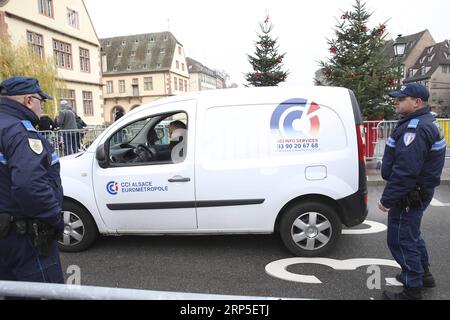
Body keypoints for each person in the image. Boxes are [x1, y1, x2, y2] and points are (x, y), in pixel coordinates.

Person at [378, 83, 446, 300]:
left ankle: (412, 290)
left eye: (401, 98)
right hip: (417, 191)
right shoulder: (421, 122)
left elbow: (406, 170)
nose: (395, 101)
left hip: (409, 193)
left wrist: (388, 199)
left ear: (417, 102)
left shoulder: (415, 128)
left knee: (400, 239)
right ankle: (423, 275)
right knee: (411, 235)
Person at [0, 77, 65, 291]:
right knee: (47, 293)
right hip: (26, 237)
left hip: (6, 234)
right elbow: (30, 185)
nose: (41, 107)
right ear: (29, 100)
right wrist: (55, 219)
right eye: (40, 101)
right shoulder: (19, 131)